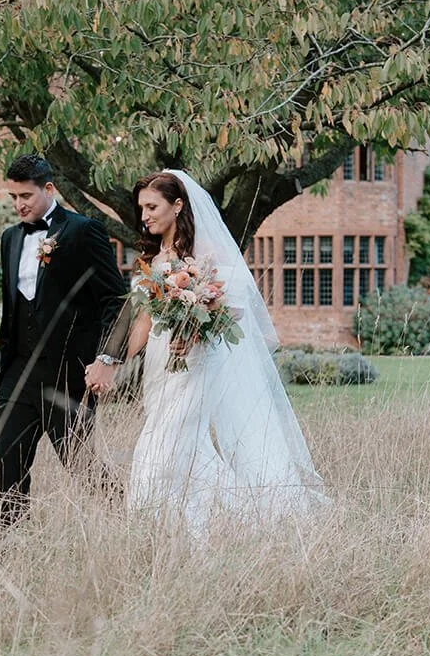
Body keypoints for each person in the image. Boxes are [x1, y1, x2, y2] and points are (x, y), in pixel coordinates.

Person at [85, 170, 327, 535]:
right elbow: (143, 322)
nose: (145, 215)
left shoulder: (206, 254)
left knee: (160, 446)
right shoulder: (154, 258)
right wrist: (113, 363)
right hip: (160, 366)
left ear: (177, 205)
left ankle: (146, 523)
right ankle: (219, 523)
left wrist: (193, 332)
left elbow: (234, 309)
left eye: (152, 206)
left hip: (195, 364)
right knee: (187, 451)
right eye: (141, 209)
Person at [0, 153, 128, 527]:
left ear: (48, 189)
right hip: (17, 372)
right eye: (14, 198)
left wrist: (106, 357)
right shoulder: (9, 239)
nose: (19, 205)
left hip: (67, 374)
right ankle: (13, 543)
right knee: (8, 462)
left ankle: (125, 520)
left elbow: (116, 301)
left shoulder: (83, 230)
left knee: (79, 462)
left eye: (27, 196)